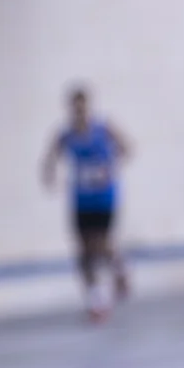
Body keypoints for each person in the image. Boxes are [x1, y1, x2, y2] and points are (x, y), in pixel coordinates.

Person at [41, 87, 132, 321]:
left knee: (100, 244)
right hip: (81, 199)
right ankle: (96, 300)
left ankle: (118, 267)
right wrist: (49, 174)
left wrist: (109, 167)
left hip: (104, 197)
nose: (79, 112)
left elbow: (126, 148)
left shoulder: (103, 128)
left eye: (82, 107)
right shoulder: (65, 134)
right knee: (84, 251)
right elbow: (51, 156)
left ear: (88, 106)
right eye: (75, 107)